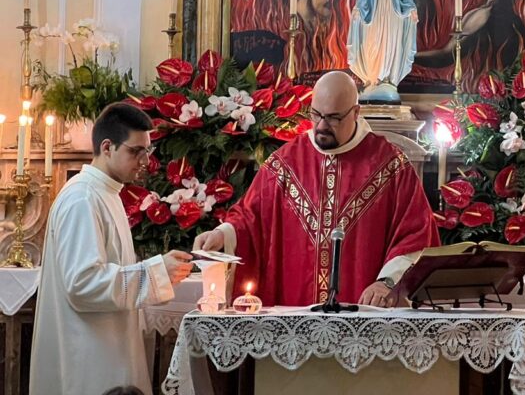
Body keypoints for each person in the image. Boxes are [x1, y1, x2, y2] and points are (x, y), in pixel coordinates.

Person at [193, 71, 438, 306]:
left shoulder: (390, 165)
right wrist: (222, 234)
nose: (321, 125)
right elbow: (251, 216)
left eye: (333, 117)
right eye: (316, 114)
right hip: (293, 317)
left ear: (355, 112)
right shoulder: (287, 162)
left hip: (364, 317)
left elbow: (416, 233)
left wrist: (387, 282)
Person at [29, 104, 193, 395]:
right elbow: (82, 284)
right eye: (135, 151)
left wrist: (158, 272)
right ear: (107, 147)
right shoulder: (82, 198)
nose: (144, 161)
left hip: (109, 347)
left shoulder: (108, 194)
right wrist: (154, 273)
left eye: (147, 151)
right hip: (88, 358)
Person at [347, 0, 419, 98]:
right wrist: (359, 8)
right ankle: (373, 77)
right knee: (373, 43)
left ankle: (387, 78)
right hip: (376, 11)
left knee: (389, 43)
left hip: (393, 14)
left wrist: (411, 8)